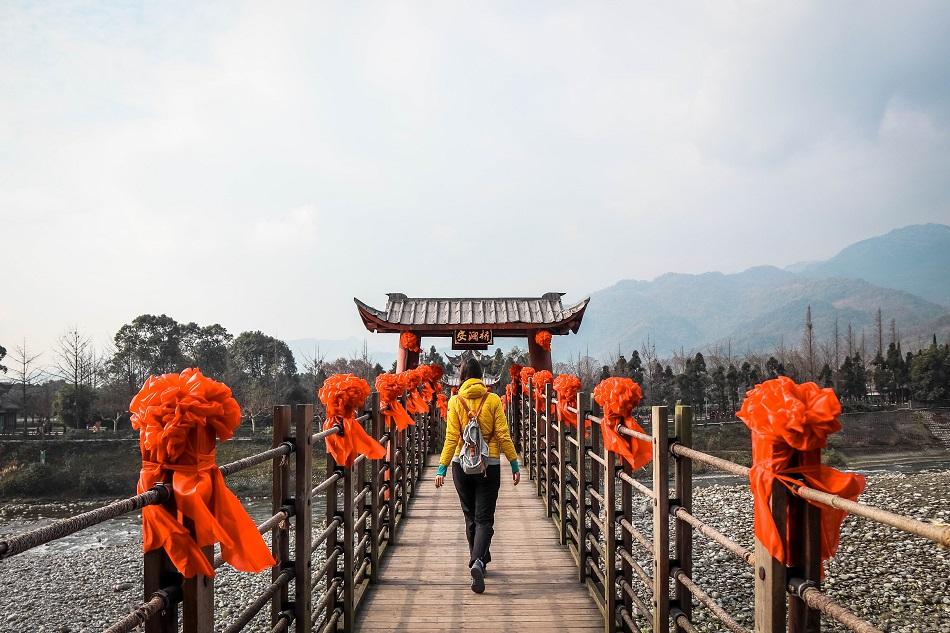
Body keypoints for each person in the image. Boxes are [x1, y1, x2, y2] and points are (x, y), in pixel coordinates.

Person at [434, 358, 521, 593]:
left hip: (459, 465)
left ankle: (478, 559)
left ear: (461, 377)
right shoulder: (492, 399)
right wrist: (513, 463)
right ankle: (479, 561)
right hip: (488, 465)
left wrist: (441, 468)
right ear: (481, 377)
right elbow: (503, 434)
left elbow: (451, 437)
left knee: (470, 517)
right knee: (485, 518)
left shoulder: (455, 401)